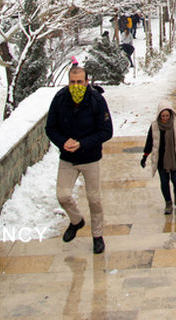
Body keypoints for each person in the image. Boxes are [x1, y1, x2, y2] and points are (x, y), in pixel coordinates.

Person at [46, 65, 115, 254]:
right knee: (63, 195)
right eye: (72, 82)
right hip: (68, 158)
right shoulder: (60, 99)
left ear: (86, 82)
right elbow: (50, 127)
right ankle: (76, 221)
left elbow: (107, 131)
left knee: (94, 199)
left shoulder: (96, 101)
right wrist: (63, 142)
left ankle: (98, 236)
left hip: (90, 157)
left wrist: (83, 144)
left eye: (79, 82)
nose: (76, 86)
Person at [140, 105, 176, 215]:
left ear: (170, 115)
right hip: (161, 159)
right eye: (163, 116)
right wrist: (145, 156)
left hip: (174, 157)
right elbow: (150, 142)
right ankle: (168, 203)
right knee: (164, 182)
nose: (165, 118)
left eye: (167, 116)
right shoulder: (155, 126)